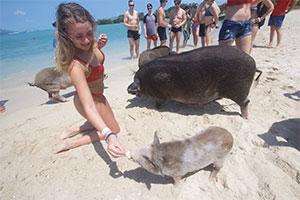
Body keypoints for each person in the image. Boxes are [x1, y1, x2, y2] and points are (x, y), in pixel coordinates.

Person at [54, 2, 126, 157]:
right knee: (114, 130)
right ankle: (70, 143)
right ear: (67, 36)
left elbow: (94, 55)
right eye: (78, 37)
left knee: (104, 124)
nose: (86, 40)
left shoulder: (91, 45)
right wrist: (109, 136)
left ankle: (75, 130)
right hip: (88, 101)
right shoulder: (76, 66)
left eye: (89, 33)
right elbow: (89, 107)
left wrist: (99, 46)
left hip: (100, 97)